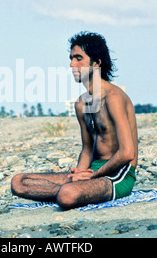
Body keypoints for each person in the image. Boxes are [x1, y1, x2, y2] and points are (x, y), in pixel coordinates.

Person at [11, 31, 138, 209]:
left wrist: (92, 176)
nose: (72, 64)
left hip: (118, 174)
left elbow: (127, 153)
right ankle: (72, 190)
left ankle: (70, 191)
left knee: (67, 195)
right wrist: (79, 172)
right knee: (19, 182)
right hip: (92, 171)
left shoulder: (114, 98)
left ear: (97, 63)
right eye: (71, 58)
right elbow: (87, 148)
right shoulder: (82, 103)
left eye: (79, 58)